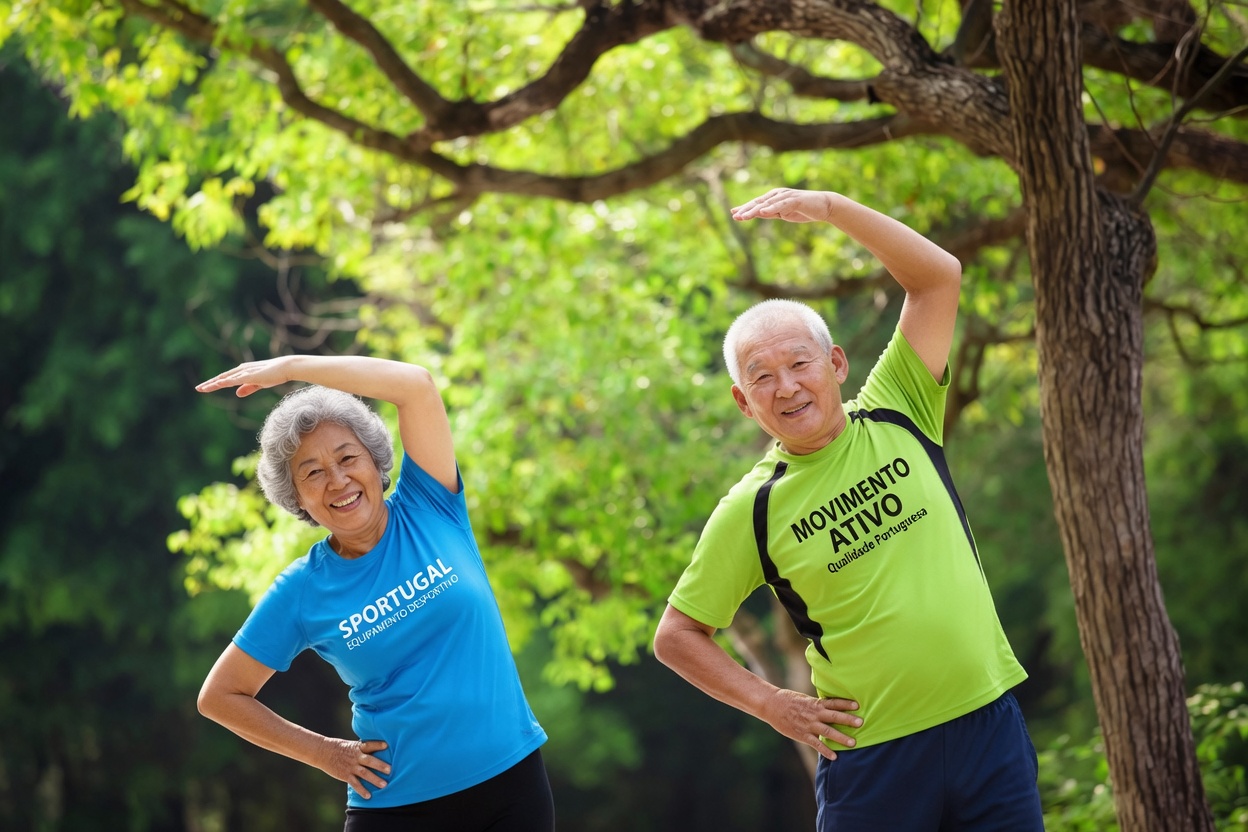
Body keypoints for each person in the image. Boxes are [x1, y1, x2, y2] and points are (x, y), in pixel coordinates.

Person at [652, 188, 1043, 831]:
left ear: (835, 363)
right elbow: (677, 636)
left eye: (800, 363)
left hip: (987, 726)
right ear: (743, 402)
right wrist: (773, 705)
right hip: (874, 760)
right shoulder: (753, 507)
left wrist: (831, 209)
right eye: (762, 377)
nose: (787, 387)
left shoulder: (900, 407)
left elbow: (938, 277)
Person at [195, 355, 553, 832]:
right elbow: (219, 696)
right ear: (297, 499)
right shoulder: (301, 590)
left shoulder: (431, 504)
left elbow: (416, 385)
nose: (338, 480)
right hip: (396, 806)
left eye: (347, 458)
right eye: (313, 473)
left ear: (375, 462)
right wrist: (324, 752)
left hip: (511, 785)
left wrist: (291, 367)